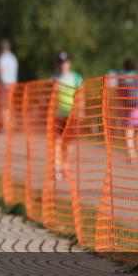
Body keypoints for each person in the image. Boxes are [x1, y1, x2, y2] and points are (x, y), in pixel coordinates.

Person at [53, 51, 83, 181]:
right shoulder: (54, 79)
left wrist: (81, 110)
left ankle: (65, 165)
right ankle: (57, 167)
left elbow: (81, 95)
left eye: (64, 62)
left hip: (72, 114)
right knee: (57, 141)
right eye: (60, 63)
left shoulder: (76, 78)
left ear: (69, 63)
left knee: (68, 143)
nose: (62, 65)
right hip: (58, 114)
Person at [118, 59, 138, 162]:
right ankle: (136, 152)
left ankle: (132, 154)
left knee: (129, 130)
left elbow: (120, 92)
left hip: (129, 106)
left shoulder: (122, 77)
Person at [0, 40, 18, 131]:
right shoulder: (13, 57)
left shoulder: (2, 58)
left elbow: (1, 71)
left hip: (5, 84)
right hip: (13, 84)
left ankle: (6, 126)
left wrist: (0, 82)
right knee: (10, 105)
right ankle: (11, 124)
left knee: (5, 105)